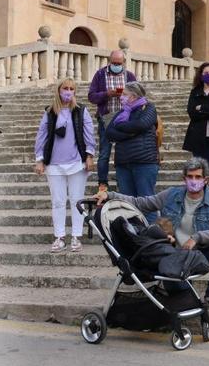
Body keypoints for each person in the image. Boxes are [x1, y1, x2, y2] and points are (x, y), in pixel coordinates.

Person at [93, 157, 209, 310]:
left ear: (206, 180)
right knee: (184, 302)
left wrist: (197, 237)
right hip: (172, 257)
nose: (193, 181)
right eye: (190, 177)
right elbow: (141, 203)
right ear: (184, 178)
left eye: (198, 177)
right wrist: (110, 195)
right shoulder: (172, 195)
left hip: (199, 255)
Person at [34, 78, 96, 253]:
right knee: (58, 202)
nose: (68, 91)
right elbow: (42, 136)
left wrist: (89, 156)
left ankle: (76, 237)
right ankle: (59, 237)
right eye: (65, 88)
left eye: (71, 88)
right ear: (58, 90)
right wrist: (39, 160)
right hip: (53, 164)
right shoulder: (50, 112)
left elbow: (89, 134)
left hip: (77, 163)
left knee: (77, 201)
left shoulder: (80, 111)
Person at [105, 81, 160, 223]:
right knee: (127, 205)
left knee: (146, 202)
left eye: (124, 94)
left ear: (134, 96)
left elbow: (142, 124)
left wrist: (122, 128)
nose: (121, 97)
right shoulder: (122, 112)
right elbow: (109, 132)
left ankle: (151, 238)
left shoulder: (148, 108)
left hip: (144, 162)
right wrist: (131, 134)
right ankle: (133, 238)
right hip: (123, 163)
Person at [87, 50, 137, 192]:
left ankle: (123, 182)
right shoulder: (100, 74)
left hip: (126, 118)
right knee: (104, 153)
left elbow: (139, 96)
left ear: (123, 63)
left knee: (125, 151)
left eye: (119, 63)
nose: (116, 65)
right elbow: (91, 96)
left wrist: (126, 95)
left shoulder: (130, 76)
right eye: (114, 63)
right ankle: (102, 182)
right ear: (109, 61)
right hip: (106, 118)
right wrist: (107, 94)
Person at [183, 63, 209, 194]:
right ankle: (201, 197)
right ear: (201, 75)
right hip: (198, 138)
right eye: (206, 73)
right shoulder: (195, 91)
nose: (208, 76)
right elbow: (191, 112)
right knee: (199, 171)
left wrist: (202, 108)